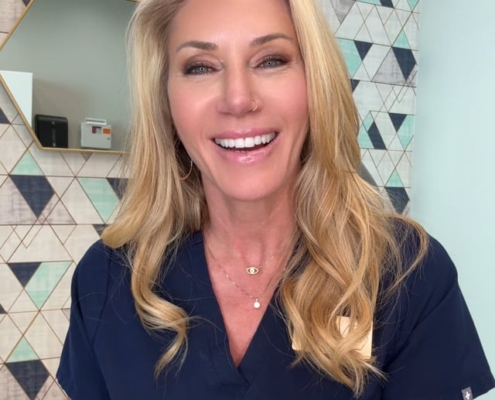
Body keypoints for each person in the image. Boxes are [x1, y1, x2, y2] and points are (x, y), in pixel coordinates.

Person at [56, 0, 494, 398]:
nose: (238, 99)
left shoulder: (407, 275)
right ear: (165, 100)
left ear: (315, 82)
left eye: (271, 60)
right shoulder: (106, 280)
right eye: (201, 67)